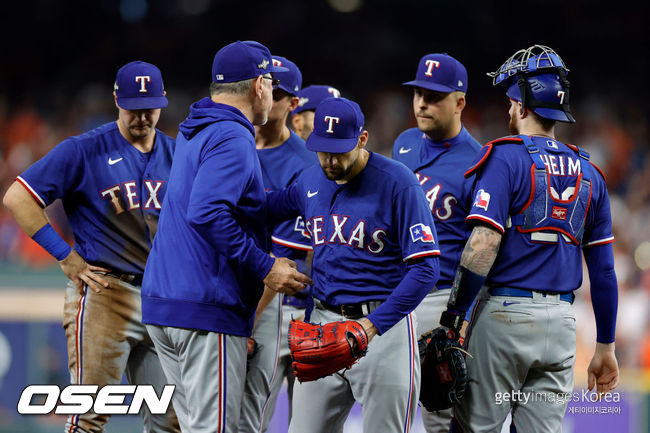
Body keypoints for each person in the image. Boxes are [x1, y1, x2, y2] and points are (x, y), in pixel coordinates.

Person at [436, 45, 619, 433]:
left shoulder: (505, 157)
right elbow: (603, 272)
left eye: (510, 104)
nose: (507, 112)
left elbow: (482, 245)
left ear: (521, 107)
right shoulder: (592, 174)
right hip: (562, 325)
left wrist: (454, 318)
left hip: (505, 317)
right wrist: (606, 346)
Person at [139, 41, 312, 433]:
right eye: (269, 80)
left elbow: (229, 206)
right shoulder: (234, 137)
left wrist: (292, 199)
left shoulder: (197, 128)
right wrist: (265, 265)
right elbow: (208, 212)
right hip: (205, 307)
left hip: (166, 303)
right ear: (258, 86)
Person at [2, 61, 180, 432]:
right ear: (117, 100)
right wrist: (65, 256)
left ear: (162, 103)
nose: (143, 117)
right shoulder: (83, 150)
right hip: (105, 293)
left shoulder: (178, 154)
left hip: (162, 297)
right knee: (88, 418)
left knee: (171, 421)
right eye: (134, 108)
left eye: (150, 108)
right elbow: (18, 197)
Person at [266, 96, 441, 432]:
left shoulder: (398, 183)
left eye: (339, 149)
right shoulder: (310, 180)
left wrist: (372, 326)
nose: (329, 159)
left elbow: (426, 269)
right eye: (322, 149)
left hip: (383, 331)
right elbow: (263, 208)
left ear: (362, 139)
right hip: (322, 325)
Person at [392, 53, 481, 433]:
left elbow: (484, 248)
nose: (422, 104)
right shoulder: (405, 143)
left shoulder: (478, 162)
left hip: (440, 300)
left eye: (434, 96)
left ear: (460, 102)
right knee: (388, 405)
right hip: (396, 295)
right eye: (418, 94)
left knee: (440, 414)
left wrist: (460, 315)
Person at [239, 55, 316, 433]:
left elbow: (283, 262)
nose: (271, 98)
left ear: (293, 103)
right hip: (232, 301)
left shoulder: (305, 166)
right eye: (267, 87)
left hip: (280, 308)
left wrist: (251, 323)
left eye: (281, 93)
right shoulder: (233, 146)